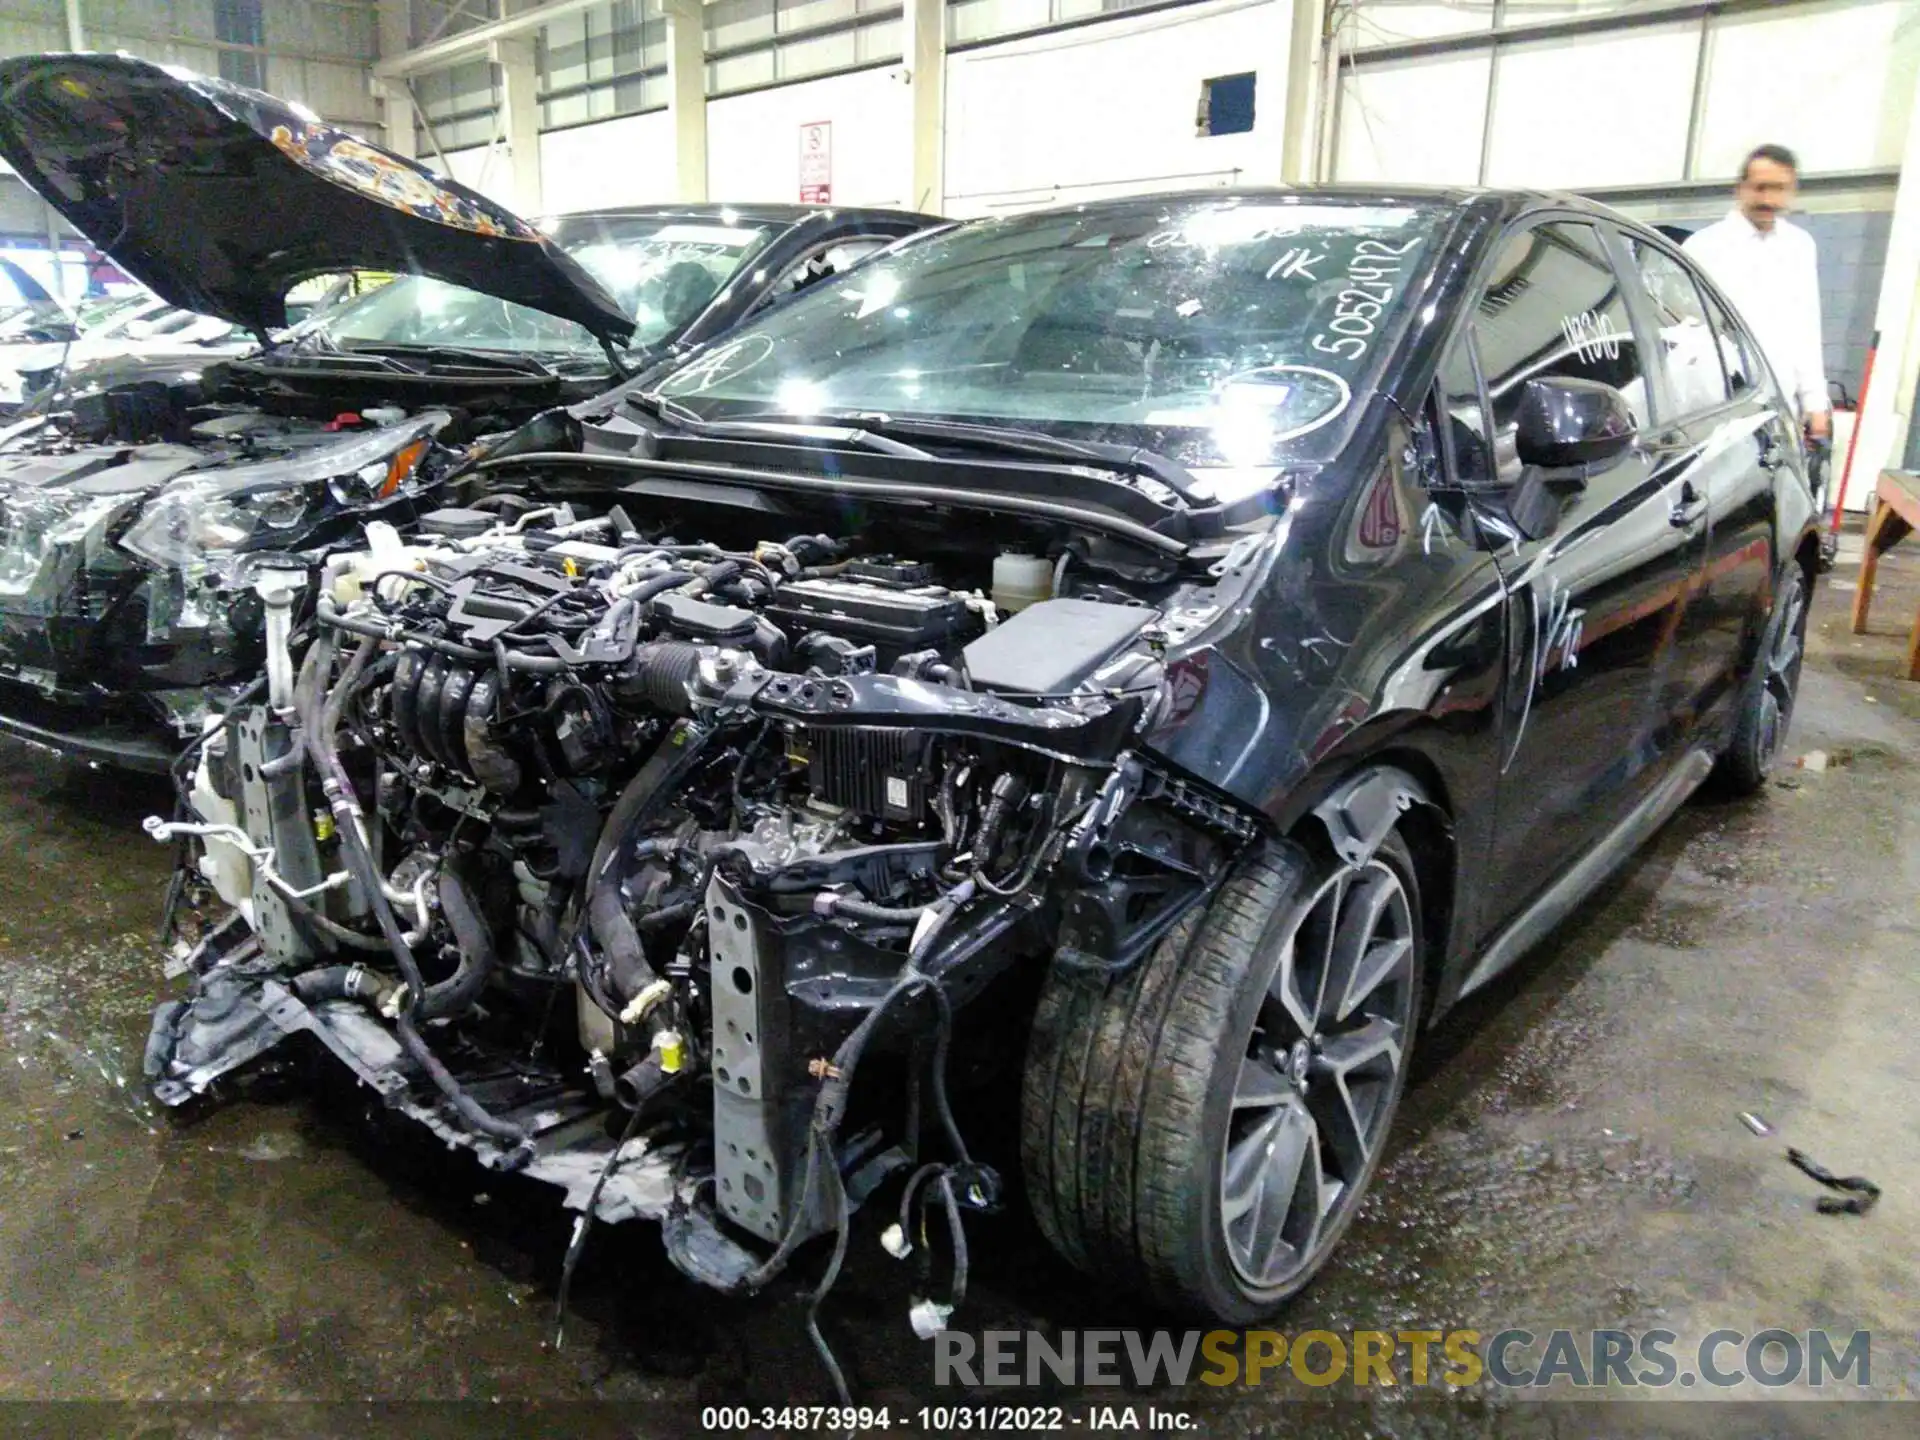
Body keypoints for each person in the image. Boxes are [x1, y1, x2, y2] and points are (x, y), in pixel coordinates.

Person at [1682, 143, 1831, 443]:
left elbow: (1805, 328)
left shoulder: (1799, 247)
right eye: (1760, 187)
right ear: (1740, 189)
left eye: (1779, 189)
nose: (1768, 199)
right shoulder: (1703, 247)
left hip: (1779, 409)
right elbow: (1681, 333)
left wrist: (1815, 402)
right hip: (1717, 412)